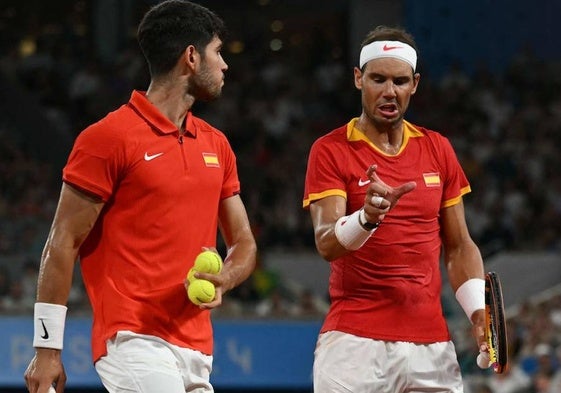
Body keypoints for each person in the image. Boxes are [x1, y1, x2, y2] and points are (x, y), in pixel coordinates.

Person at [24, 1, 257, 392]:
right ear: (191, 56)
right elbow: (62, 242)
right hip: (133, 339)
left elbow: (244, 241)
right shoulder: (108, 138)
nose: (225, 65)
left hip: (198, 348)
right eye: (218, 52)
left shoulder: (218, 146)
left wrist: (225, 278)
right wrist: (47, 349)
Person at [302, 25, 487, 392]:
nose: (389, 91)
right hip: (354, 346)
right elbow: (326, 242)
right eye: (378, 79)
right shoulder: (330, 149)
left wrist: (478, 314)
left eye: (400, 81)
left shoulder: (438, 148)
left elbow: (460, 245)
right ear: (358, 78)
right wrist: (366, 218)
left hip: (433, 348)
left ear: (414, 84)